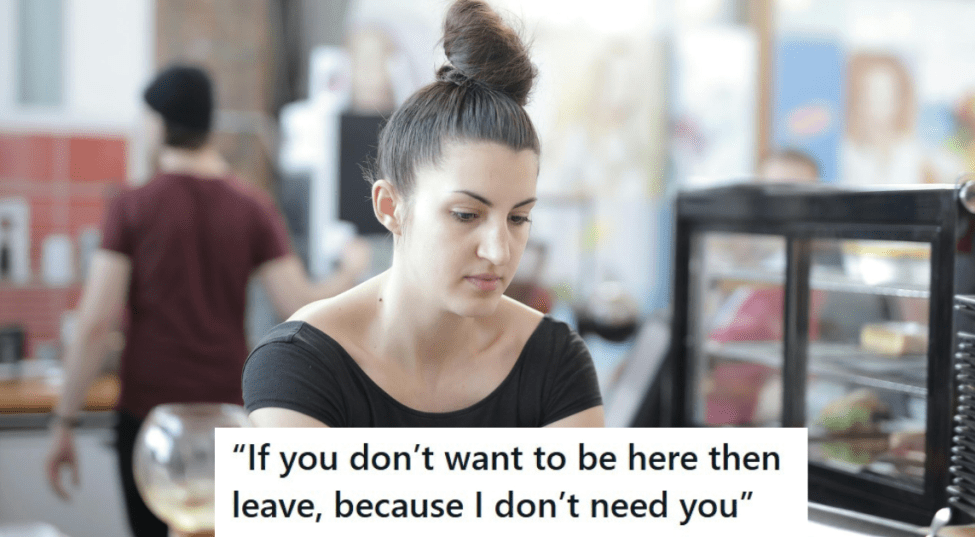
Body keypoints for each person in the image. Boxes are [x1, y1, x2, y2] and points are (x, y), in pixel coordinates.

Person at [242, 0, 604, 428]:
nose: (499, 252)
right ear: (390, 207)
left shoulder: (554, 360)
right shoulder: (300, 363)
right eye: (466, 215)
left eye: (517, 218)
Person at [45, 65, 371, 537]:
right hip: (229, 418)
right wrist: (350, 268)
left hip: (151, 422)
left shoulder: (132, 204)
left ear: (158, 123)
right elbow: (299, 305)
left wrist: (64, 422)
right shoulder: (252, 206)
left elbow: (95, 324)